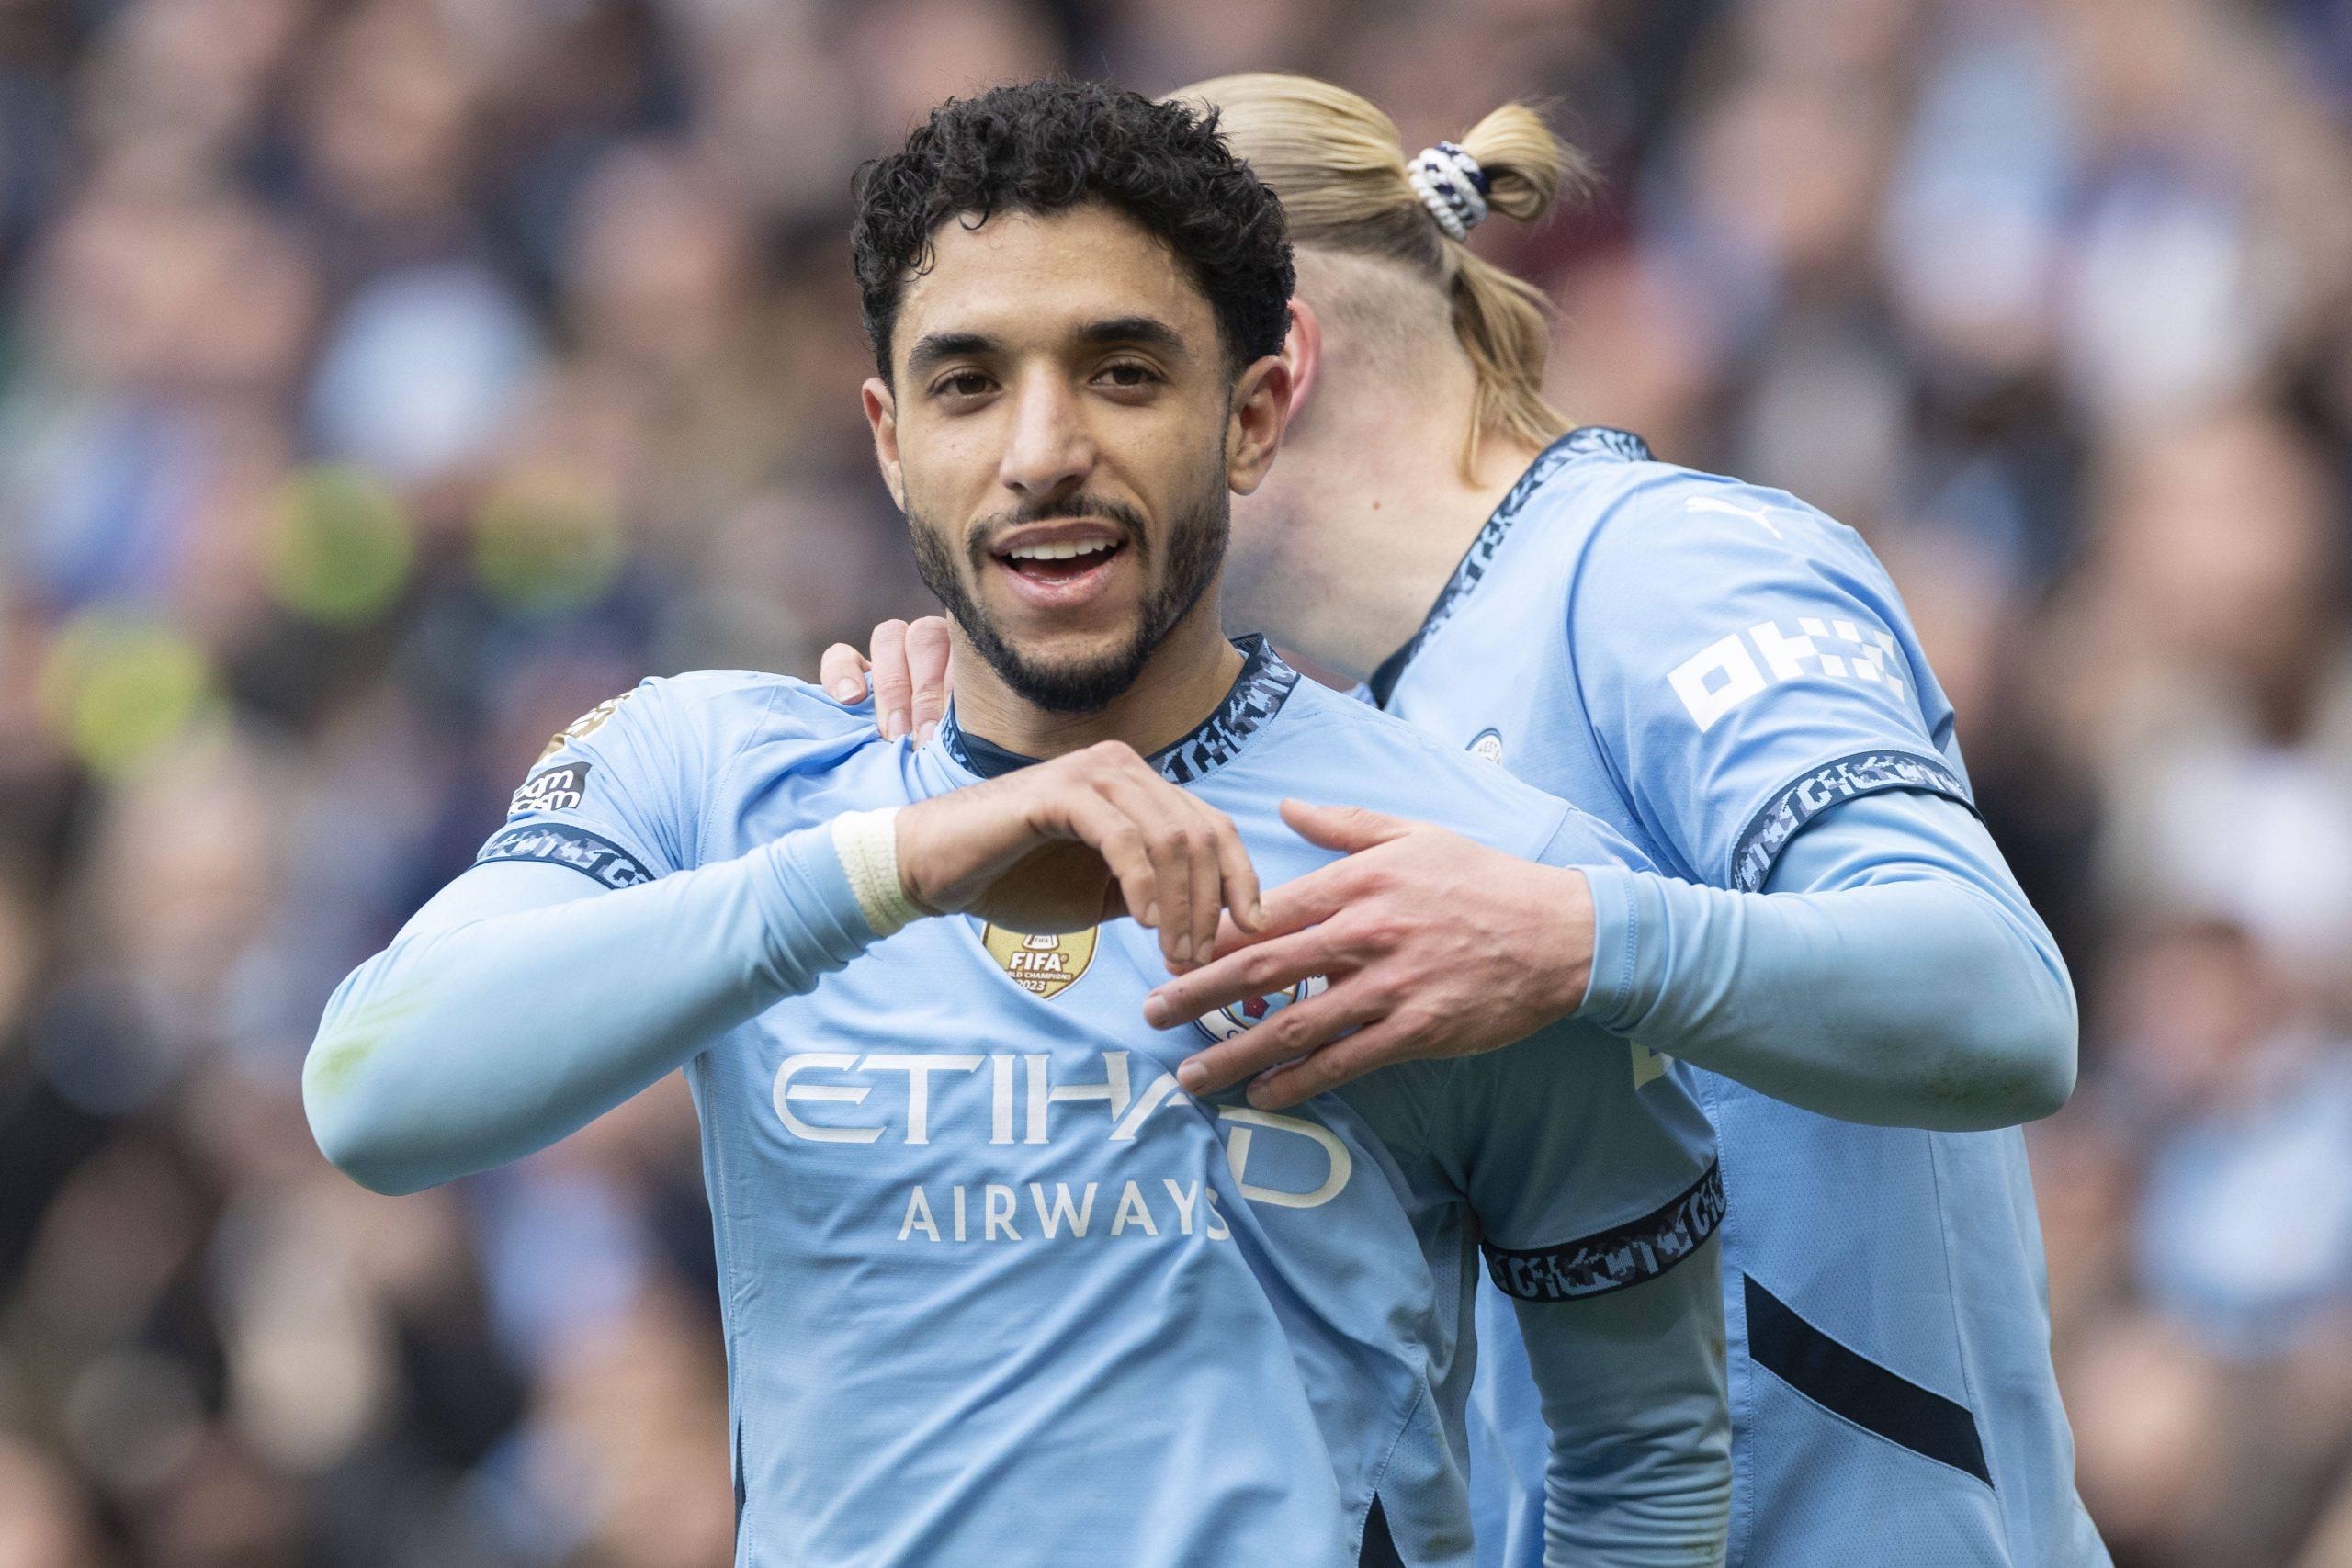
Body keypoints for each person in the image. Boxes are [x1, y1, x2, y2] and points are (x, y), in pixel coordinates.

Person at [304, 82, 1732, 1568]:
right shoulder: (711, 773)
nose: (1041, 449)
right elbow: (377, 1092)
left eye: (1121, 373)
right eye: (969, 383)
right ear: (889, 437)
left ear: (1252, 414)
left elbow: (1646, 1459)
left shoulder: (1469, 880)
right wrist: (905, 863)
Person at [824, 74, 2105, 1568]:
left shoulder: (1660, 567)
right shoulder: (1351, 724)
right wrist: (945, 740)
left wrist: (1572, 937)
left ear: (1268, 373)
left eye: (1113, 372)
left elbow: (2001, 998)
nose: (1049, 452)